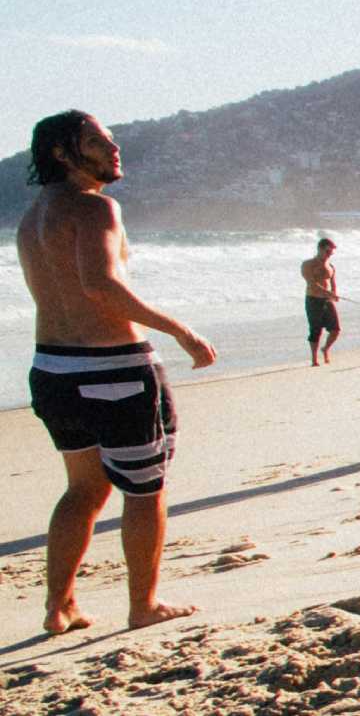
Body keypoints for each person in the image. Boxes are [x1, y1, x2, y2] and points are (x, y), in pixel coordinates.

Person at [16, 110, 218, 633]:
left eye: (112, 141)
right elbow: (101, 284)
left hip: (52, 370)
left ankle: (59, 607)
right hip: (114, 370)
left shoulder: (33, 216)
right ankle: (144, 604)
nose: (113, 150)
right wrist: (179, 330)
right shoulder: (95, 209)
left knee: (83, 490)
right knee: (145, 490)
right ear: (63, 154)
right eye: (98, 143)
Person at [300, 237, 340, 366]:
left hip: (327, 301)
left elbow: (333, 284)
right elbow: (312, 283)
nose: (329, 255)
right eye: (327, 252)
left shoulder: (331, 266)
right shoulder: (307, 264)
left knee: (335, 330)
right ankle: (314, 359)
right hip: (313, 299)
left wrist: (334, 294)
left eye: (331, 253)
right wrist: (328, 293)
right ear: (320, 249)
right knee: (315, 329)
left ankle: (325, 349)